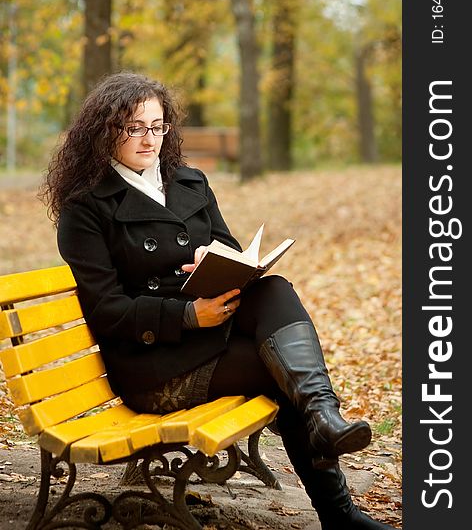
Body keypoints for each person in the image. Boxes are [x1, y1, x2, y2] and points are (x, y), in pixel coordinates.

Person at [41, 71, 395, 530]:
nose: (149, 138)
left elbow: (232, 251)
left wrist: (218, 258)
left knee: (273, 287)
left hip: (212, 335)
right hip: (153, 363)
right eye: (133, 128)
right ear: (105, 132)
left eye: (157, 125)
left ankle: (324, 415)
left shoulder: (189, 182)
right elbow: (107, 311)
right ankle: (339, 509)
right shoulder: (85, 208)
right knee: (279, 372)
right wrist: (190, 315)